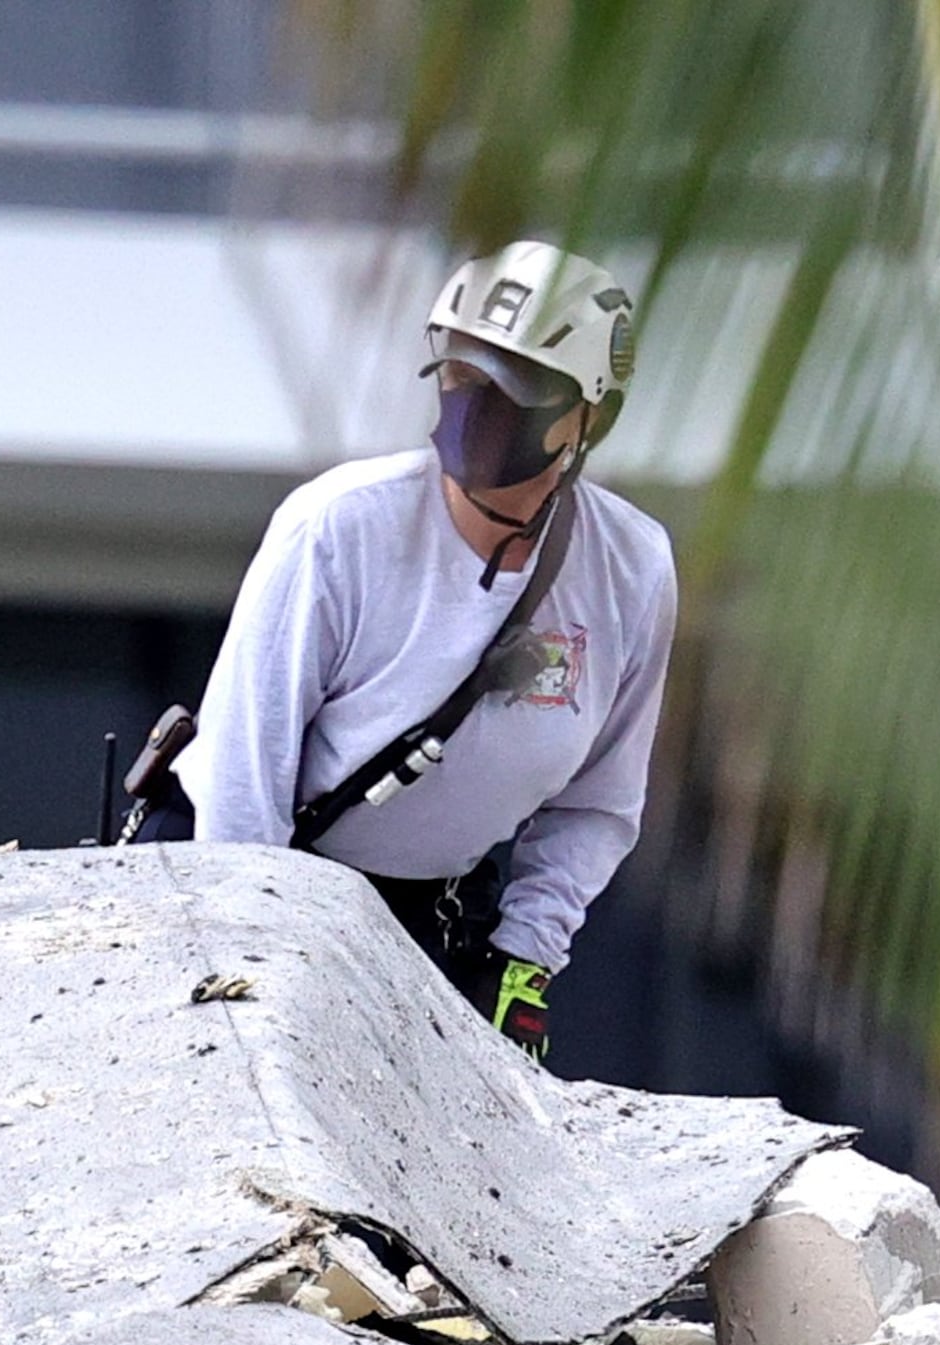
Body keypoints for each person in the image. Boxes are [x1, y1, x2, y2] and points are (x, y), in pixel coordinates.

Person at [182, 238, 676, 1070]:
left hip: (437, 921)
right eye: (462, 377)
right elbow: (242, 778)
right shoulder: (338, 528)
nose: (479, 408)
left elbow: (598, 803)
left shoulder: (630, 567)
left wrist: (523, 958)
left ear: (591, 417)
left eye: (516, 393)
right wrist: (249, 961)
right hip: (255, 887)